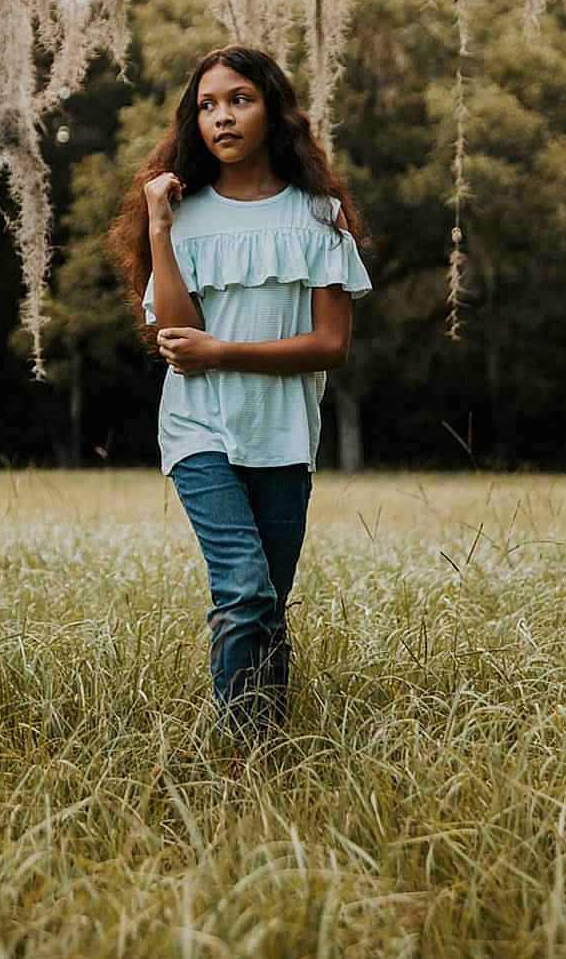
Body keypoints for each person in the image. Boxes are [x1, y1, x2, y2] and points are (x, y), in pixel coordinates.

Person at [108, 46, 372, 737]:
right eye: (207, 105)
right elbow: (176, 335)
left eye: (239, 100)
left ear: (274, 110)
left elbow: (330, 345)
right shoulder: (185, 215)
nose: (221, 116)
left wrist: (224, 350)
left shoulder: (318, 216)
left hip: (282, 435)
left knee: (268, 605)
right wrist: (161, 230)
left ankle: (267, 743)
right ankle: (236, 751)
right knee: (245, 591)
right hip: (200, 431)